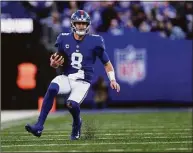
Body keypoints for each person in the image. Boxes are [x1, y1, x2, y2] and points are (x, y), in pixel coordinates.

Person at [25, 10, 120, 140]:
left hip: (83, 81)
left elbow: (107, 63)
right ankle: (39, 126)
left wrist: (113, 80)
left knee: (72, 104)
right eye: (78, 23)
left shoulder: (95, 41)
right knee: (52, 88)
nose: (81, 26)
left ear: (87, 25)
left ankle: (77, 123)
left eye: (83, 23)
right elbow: (57, 59)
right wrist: (53, 63)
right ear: (73, 24)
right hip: (67, 77)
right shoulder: (64, 38)